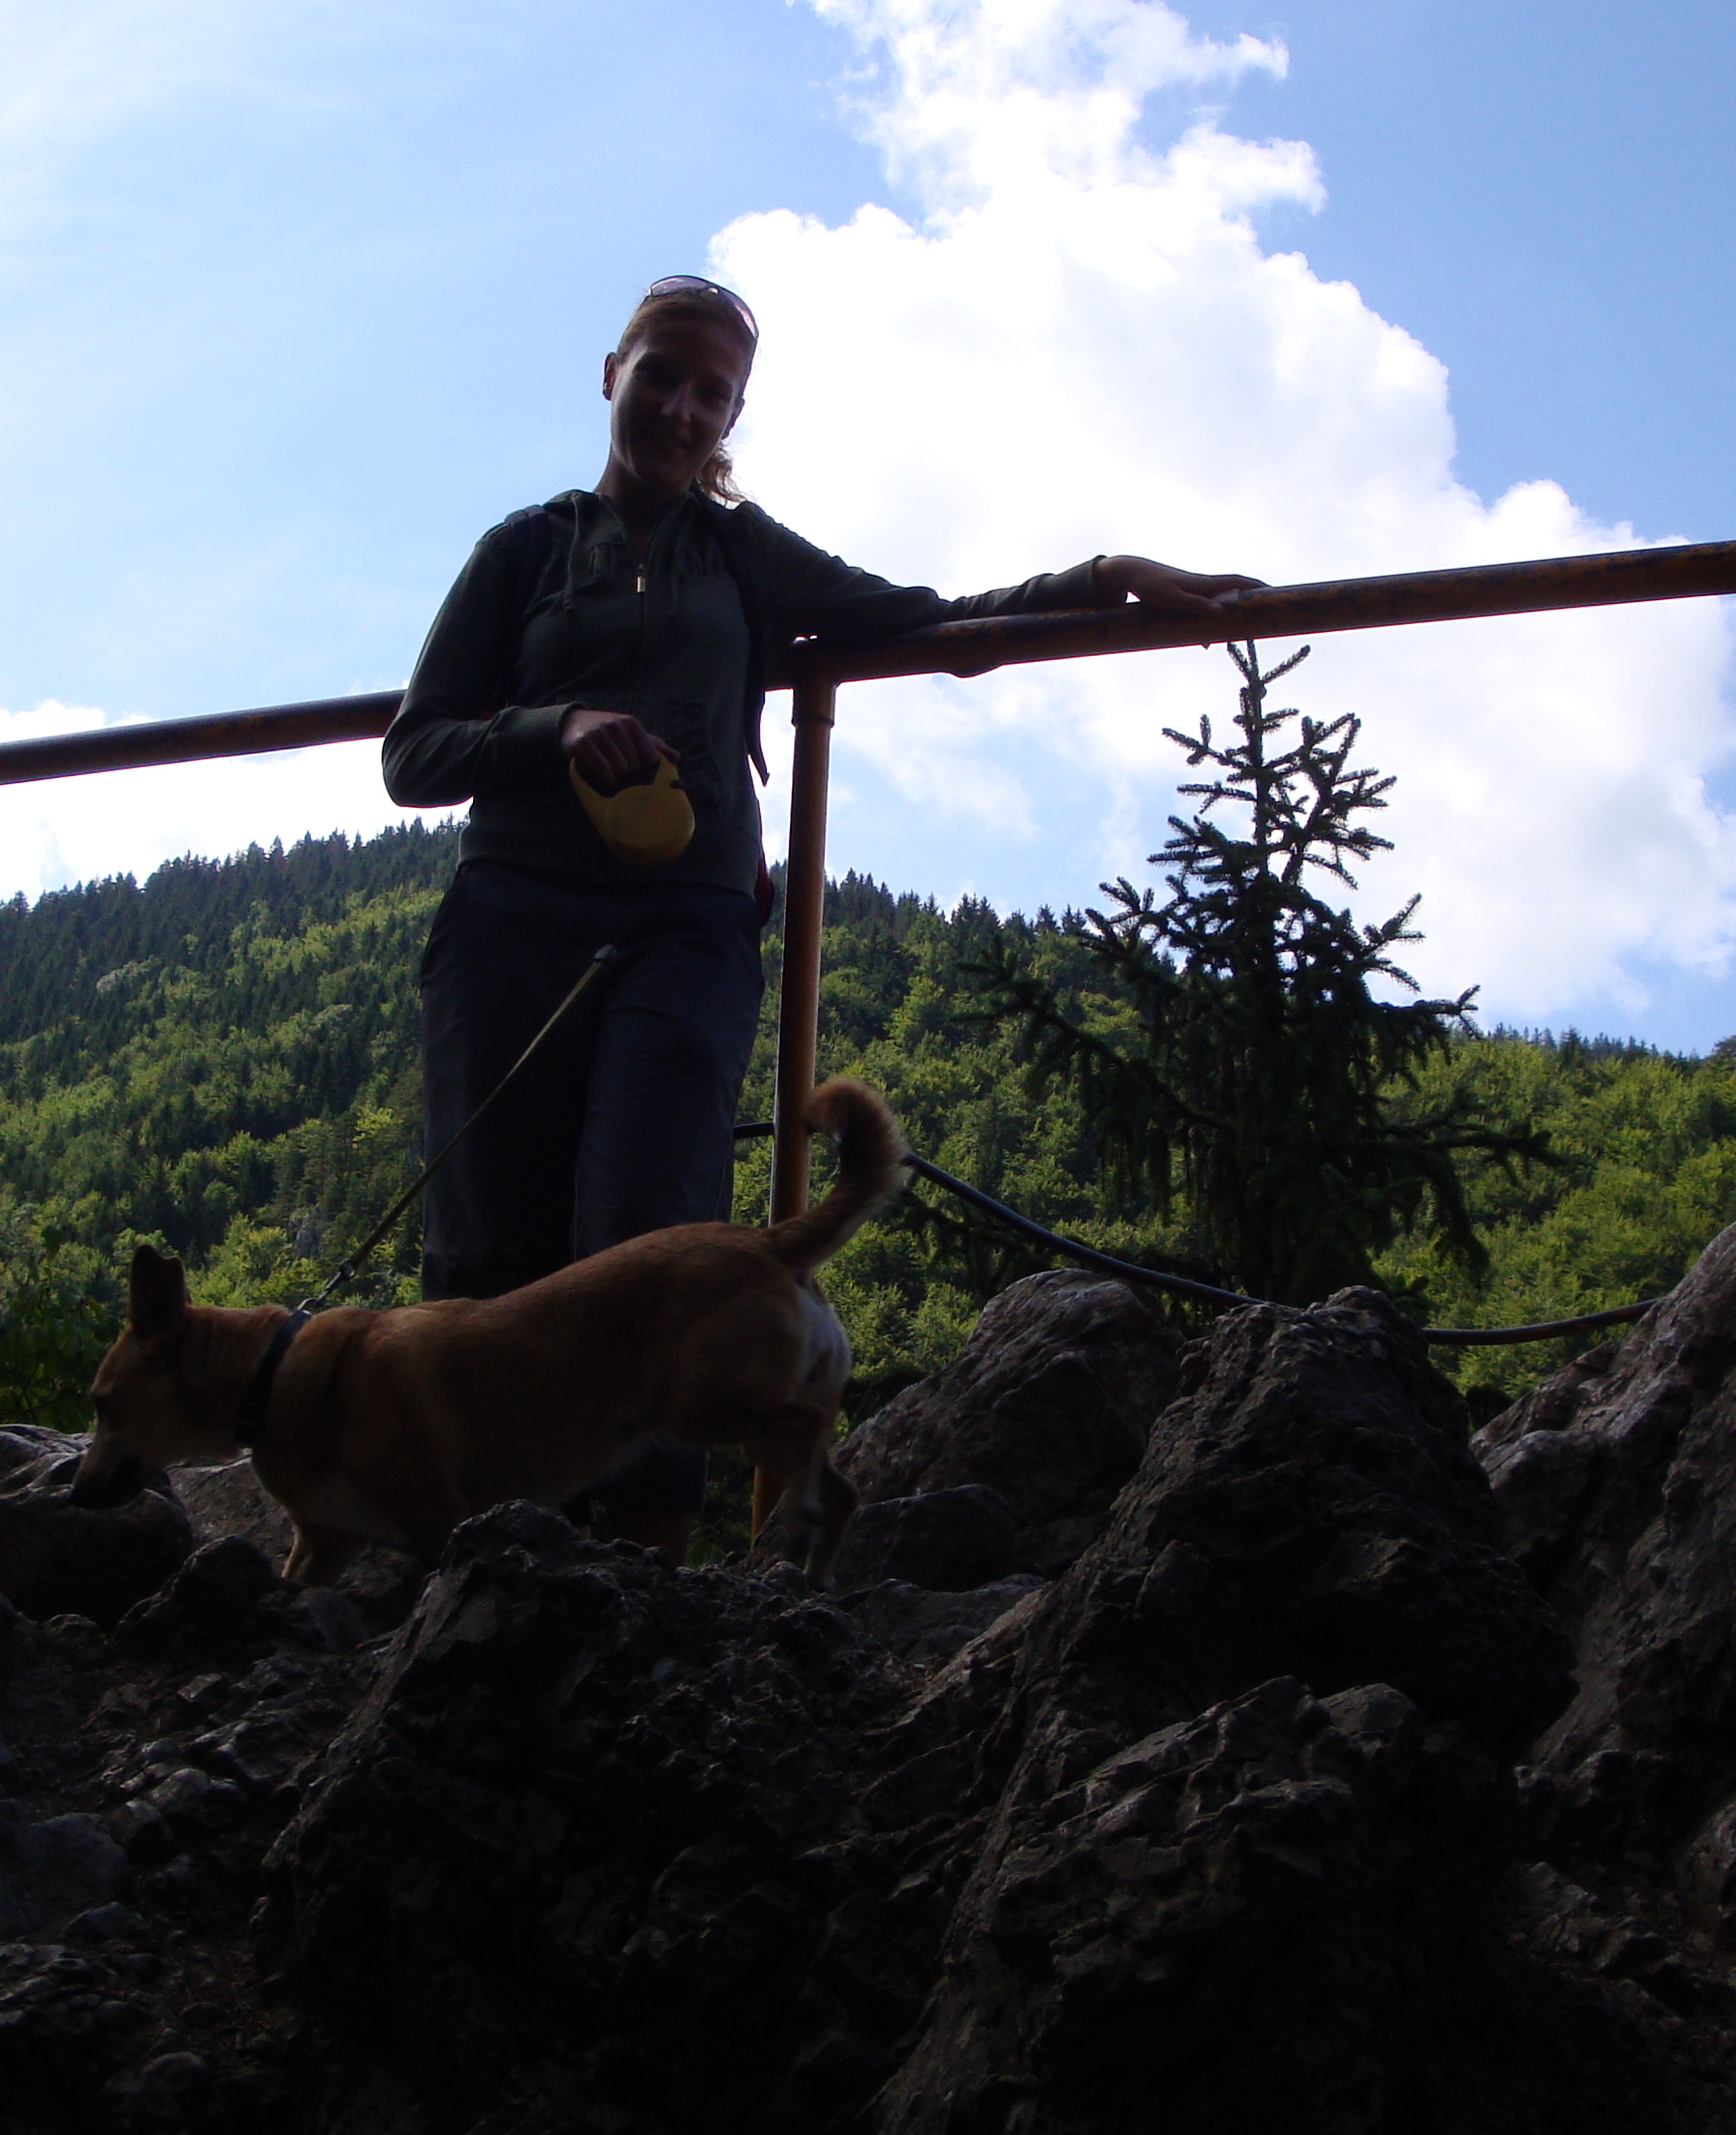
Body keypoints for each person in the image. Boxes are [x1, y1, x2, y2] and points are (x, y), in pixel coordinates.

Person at [379, 272, 1259, 1557]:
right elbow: (414, 755)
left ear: (734, 413)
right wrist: (551, 727)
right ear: (610, 374)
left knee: (650, 1232)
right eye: (660, 376)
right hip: (511, 924)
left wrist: (1105, 578)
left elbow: (931, 621)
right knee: (488, 1249)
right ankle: (480, 1561)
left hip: (684, 928)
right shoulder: (524, 551)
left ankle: (637, 1586)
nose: (681, 410)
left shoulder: (744, 552)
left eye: (712, 392)